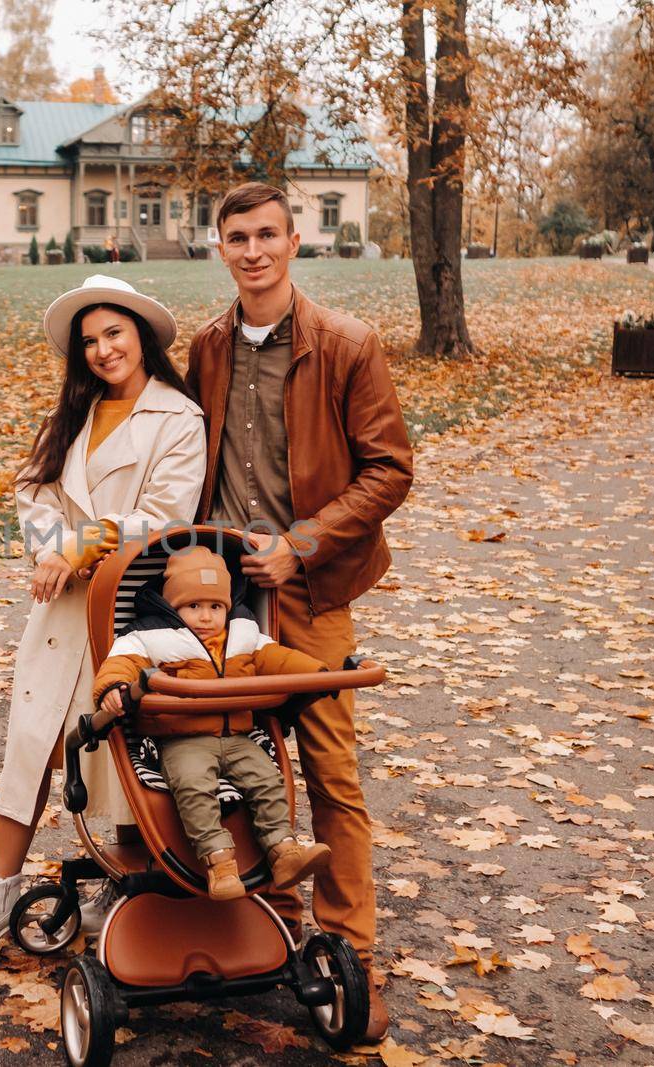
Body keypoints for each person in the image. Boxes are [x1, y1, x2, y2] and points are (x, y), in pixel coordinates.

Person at [185, 181, 413, 1040]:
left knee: (329, 772)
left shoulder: (346, 345)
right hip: (223, 602)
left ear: (295, 239)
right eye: (237, 237)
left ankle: (353, 956)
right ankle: (270, 930)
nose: (254, 251)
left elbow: (390, 469)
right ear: (221, 247)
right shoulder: (207, 347)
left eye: (268, 234)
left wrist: (304, 542)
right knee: (234, 755)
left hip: (311, 593)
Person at [0, 275, 206, 967]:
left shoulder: (178, 417)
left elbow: (171, 515)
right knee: (30, 744)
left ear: (141, 336)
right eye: (89, 341)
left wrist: (84, 543)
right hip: (61, 608)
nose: (101, 349)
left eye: (113, 333)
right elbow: (35, 485)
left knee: (122, 756)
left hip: (128, 608)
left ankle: (126, 888)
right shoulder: (77, 413)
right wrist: (51, 546)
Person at [92, 545, 332, 899]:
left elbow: (277, 658)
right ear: (172, 606)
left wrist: (320, 673)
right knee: (193, 786)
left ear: (227, 607)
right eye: (194, 607)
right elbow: (121, 662)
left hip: (238, 736)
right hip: (181, 740)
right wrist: (113, 688)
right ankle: (218, 862)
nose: (206, 617)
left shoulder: (243, 633)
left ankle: (284, 852)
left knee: (267, 780)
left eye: (215, 607)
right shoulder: (151, 637)